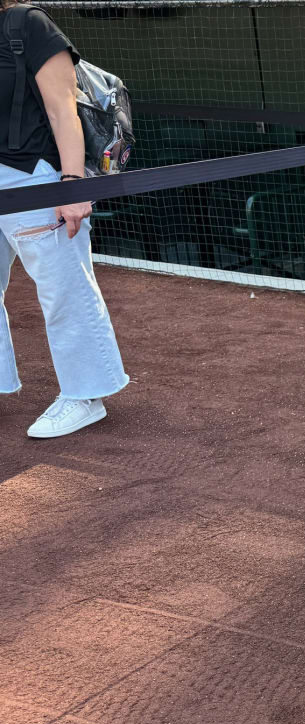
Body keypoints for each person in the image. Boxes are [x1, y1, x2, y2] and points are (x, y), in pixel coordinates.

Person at [0, 1, 127, 437]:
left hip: (31, 177)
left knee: (63, 288)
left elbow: (63, 109)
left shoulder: (25, 23)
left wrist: (72, 186)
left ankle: (85, 395)